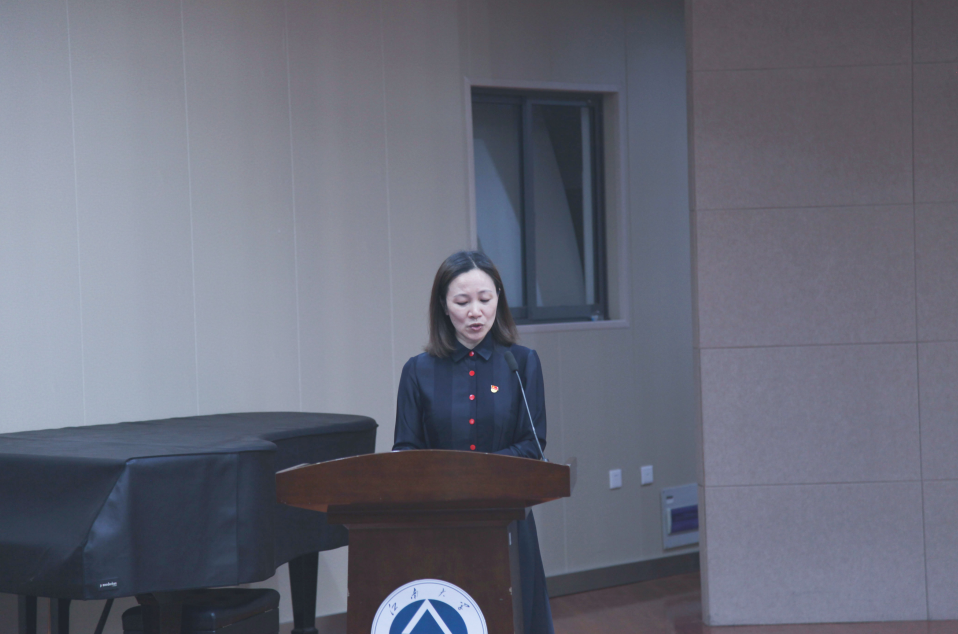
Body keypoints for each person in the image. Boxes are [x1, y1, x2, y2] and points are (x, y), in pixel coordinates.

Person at [393, 250, 555, 634]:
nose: (476, 312)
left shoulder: (522, 363)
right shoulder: (417, 371)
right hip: (440, 521)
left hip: (507, 517)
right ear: (443, 306)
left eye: (485, 299)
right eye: (462, 302)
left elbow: (533, 444)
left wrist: (475, 474)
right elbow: (406, 451)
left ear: (499, 298)